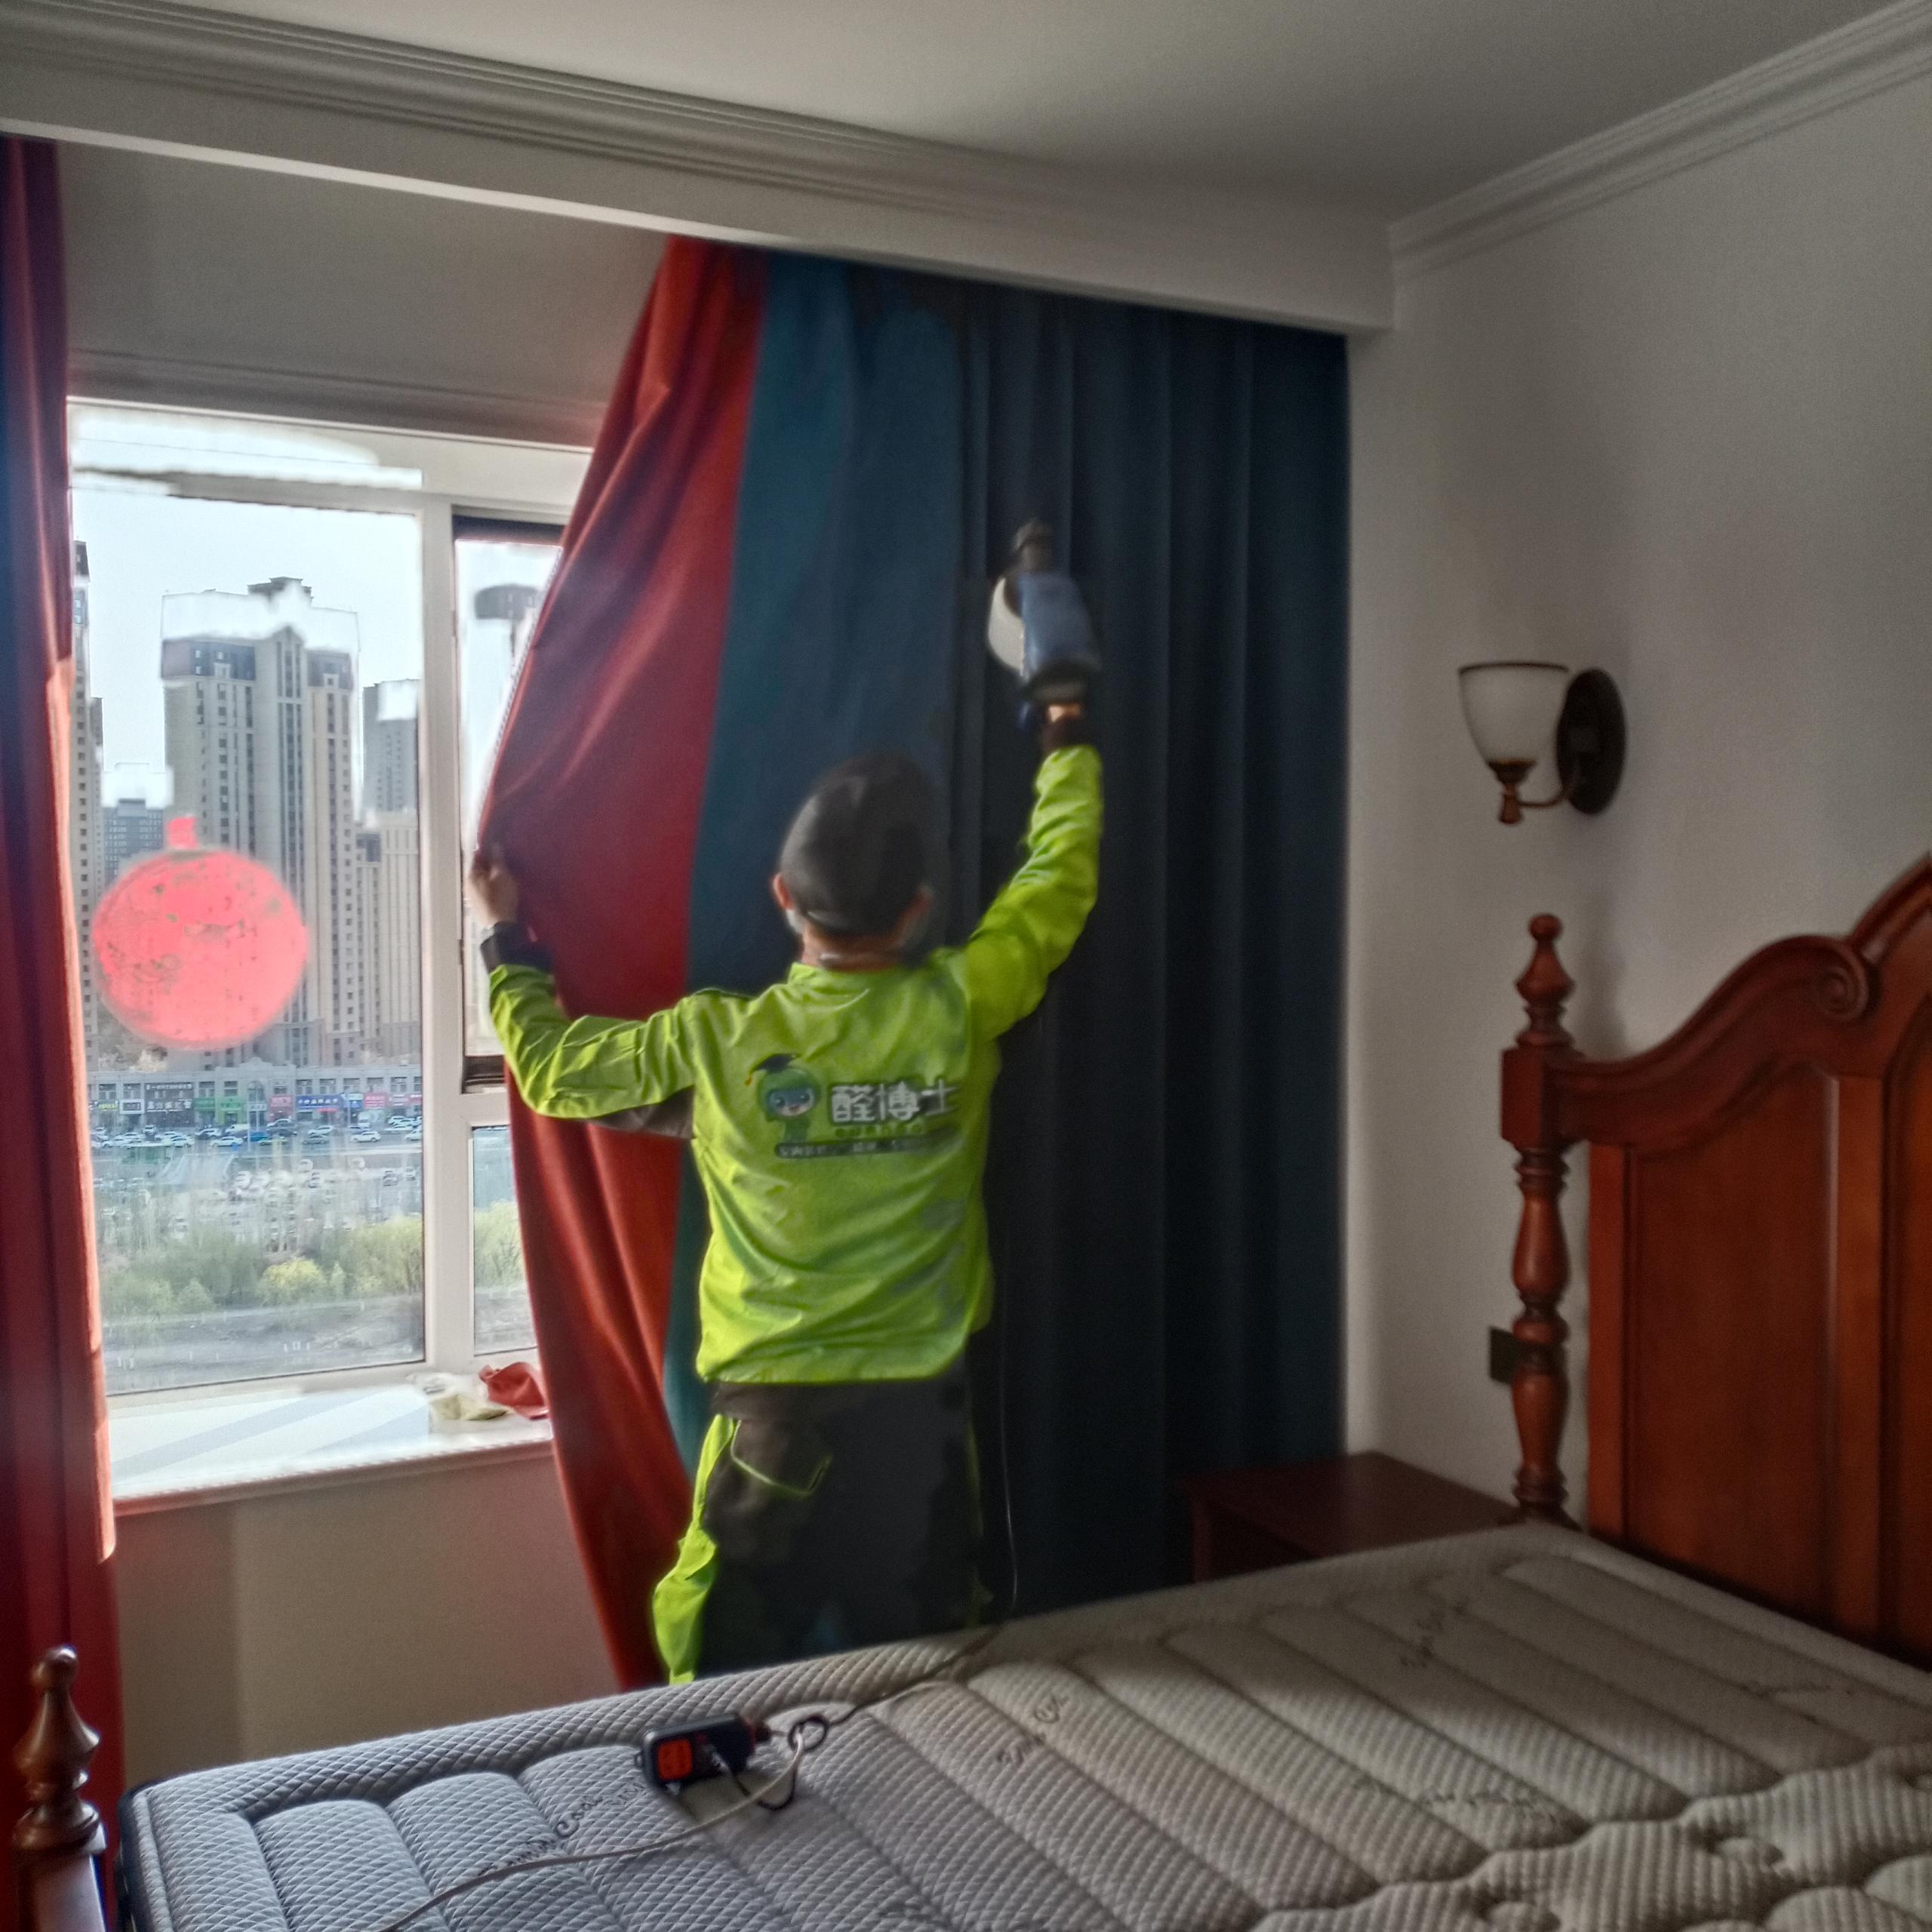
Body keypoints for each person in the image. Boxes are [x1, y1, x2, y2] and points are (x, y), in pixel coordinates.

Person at [466, 701, 1100, 1681]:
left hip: (775, 1430)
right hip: (921, 1428)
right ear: (917, 910)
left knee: (716, 1680)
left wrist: (507, 937)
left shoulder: (720, 1044)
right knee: (933, 1679)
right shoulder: (963, 1004)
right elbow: (1057, 883)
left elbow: (550, 1071)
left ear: (783, 898)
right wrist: (1064, 734)